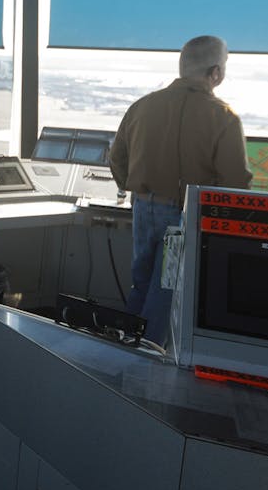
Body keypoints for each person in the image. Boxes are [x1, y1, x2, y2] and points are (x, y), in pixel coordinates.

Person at [108, 35, 252, 347]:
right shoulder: (223, 116)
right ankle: (146, 362)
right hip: (183, 215)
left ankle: (124, 349)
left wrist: (133, 187)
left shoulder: (142, 106)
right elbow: (235, 183)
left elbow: (116, 158)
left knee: (142, 284)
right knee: (168, 289)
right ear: (215, 72)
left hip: (143, 207)